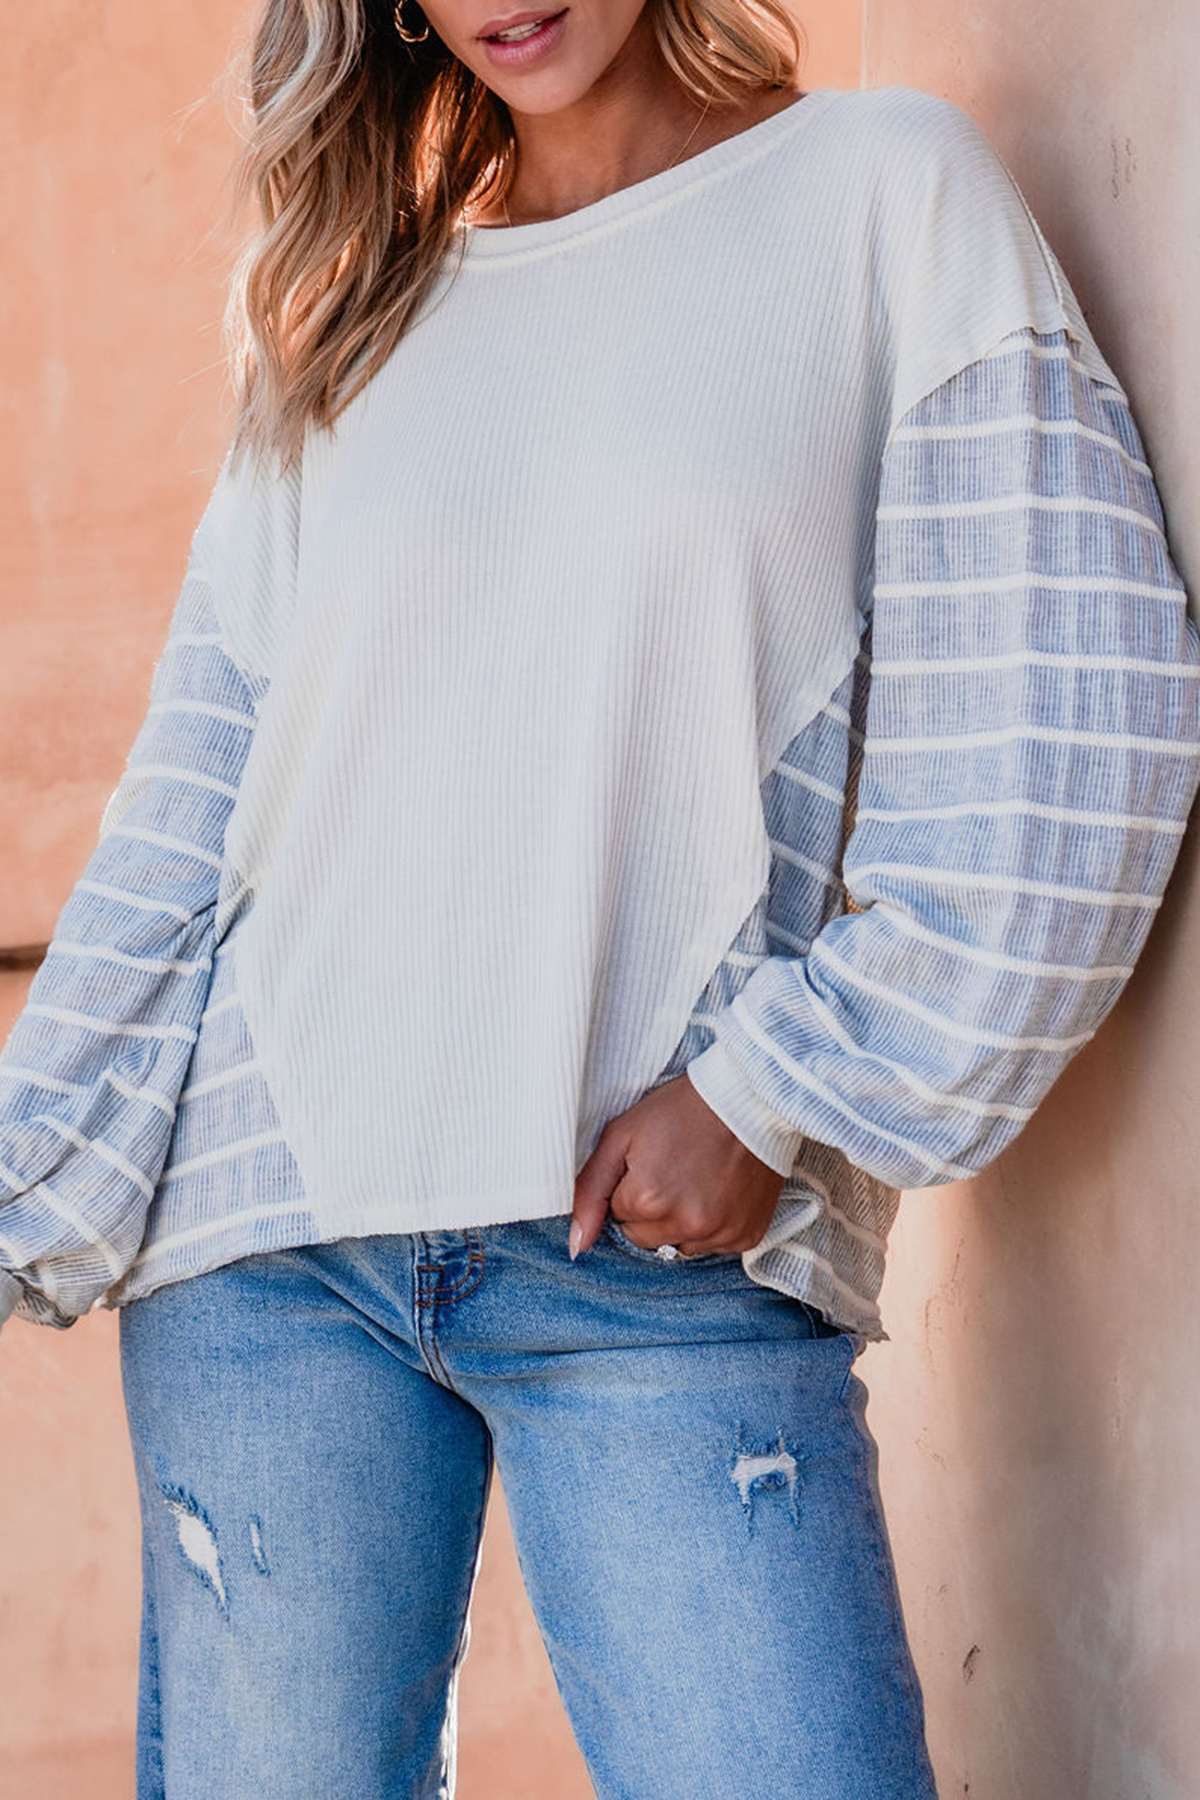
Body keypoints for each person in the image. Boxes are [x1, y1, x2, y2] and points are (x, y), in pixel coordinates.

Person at [3, 0, 1198, 1791]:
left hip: (652, 1254)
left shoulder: (882, 197)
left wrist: (773, 1088)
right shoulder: (353, 314)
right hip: (265, 1246)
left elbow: (1067, 718)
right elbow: (193, 800)